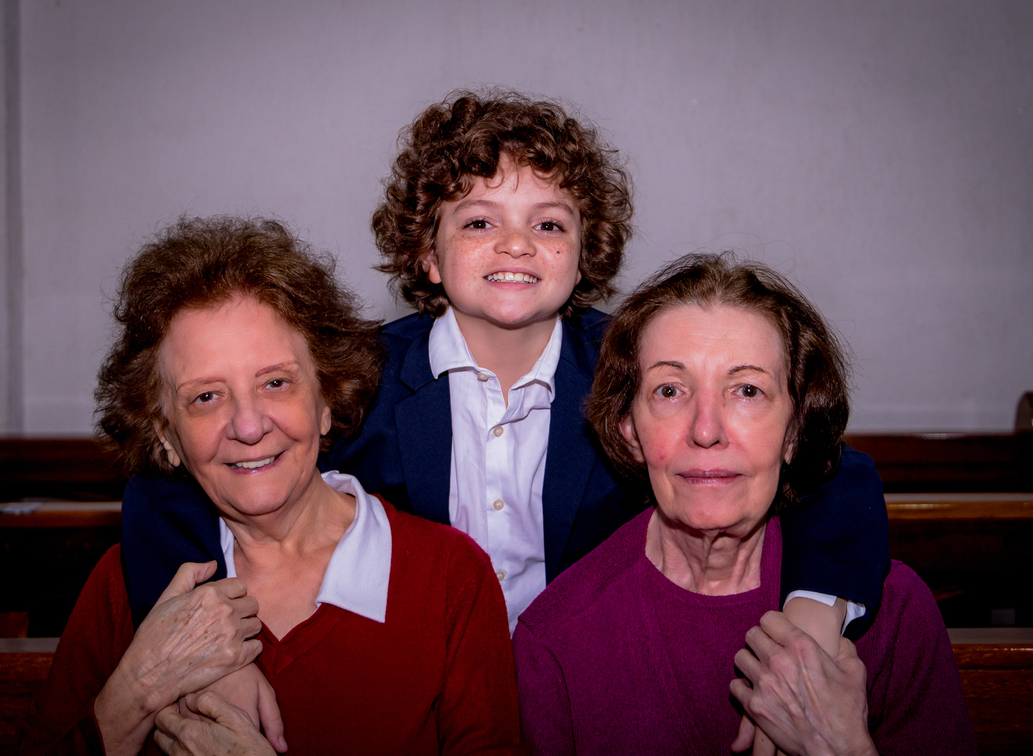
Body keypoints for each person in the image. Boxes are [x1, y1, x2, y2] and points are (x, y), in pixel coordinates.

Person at [119, 90, 889, 652]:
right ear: (427, 251)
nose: (516, 245)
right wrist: (199, 641)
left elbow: (827, 467)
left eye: (548, 224)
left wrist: (817, 612)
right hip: (428, 691)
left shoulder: (637, 370)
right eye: (479, 222)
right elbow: (172, 484)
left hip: (595, 679)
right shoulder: (362, 375)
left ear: (587, 253)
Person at [21, 217, 520, 755]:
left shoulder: (449, 580)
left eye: (276, 383)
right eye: (206, 397)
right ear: (165, 436)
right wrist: (140, 684)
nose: (249, 425)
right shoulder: (124, 587)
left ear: (328, 399)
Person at [513, 254, 976, 755]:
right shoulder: (557, 642)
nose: (706, 430)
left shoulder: (894, 615)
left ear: (794, 430)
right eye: (670, 390)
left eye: (747, 390)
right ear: (630, 431)